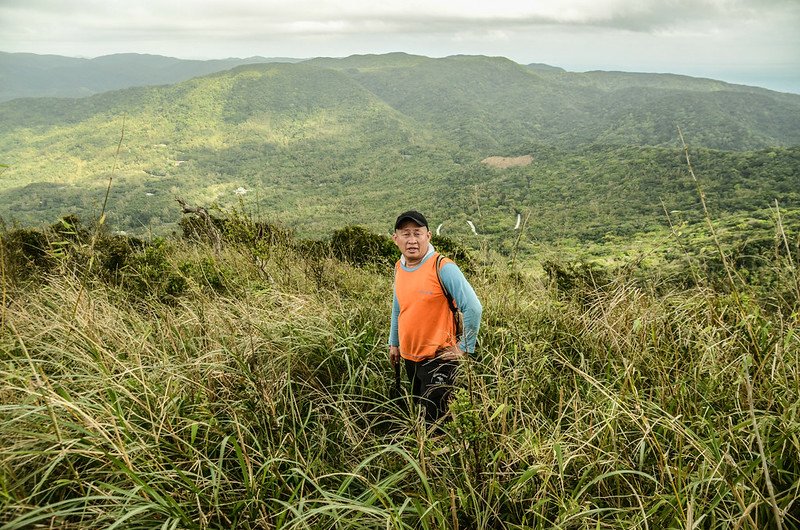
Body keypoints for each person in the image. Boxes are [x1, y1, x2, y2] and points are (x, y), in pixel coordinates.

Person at [388, 210, 482, 424]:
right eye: (405, 234)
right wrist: (394, 343)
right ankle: (423, 454)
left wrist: (465, 347)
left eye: (417, 233)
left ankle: (441, 456)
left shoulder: (443, 267)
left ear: (428, 236)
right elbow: (398, 307)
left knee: (437, 421)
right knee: (419, 413)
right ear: (396, 239)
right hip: (410, 357)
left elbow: (474, 308)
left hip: (439, 359)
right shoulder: (400, 267)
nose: (412, 240)